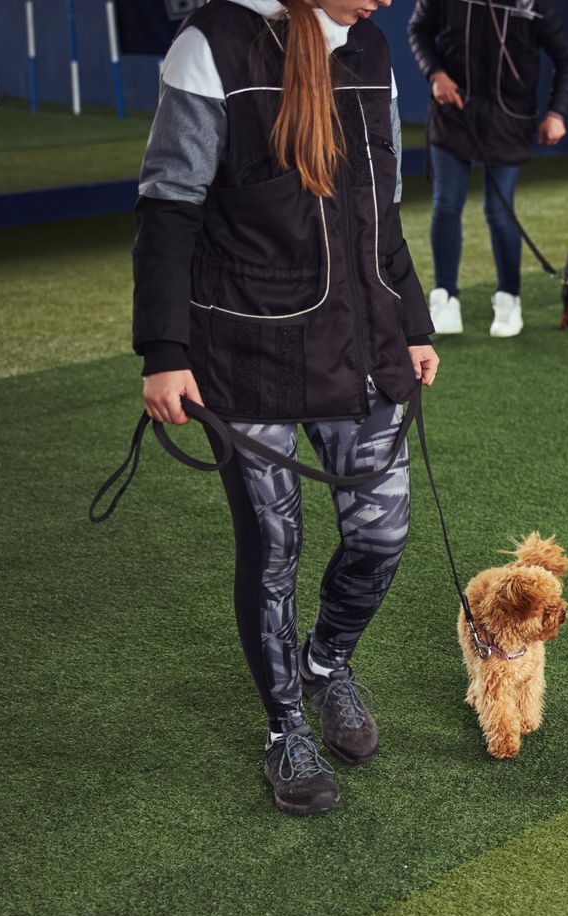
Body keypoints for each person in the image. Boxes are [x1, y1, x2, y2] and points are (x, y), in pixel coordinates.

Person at [133, 0, 439, 815]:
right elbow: (168, 208)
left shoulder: (370, 46)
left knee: (382, 532)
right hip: (247, 352)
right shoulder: (213, 44)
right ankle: (284, 730)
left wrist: (411, 321)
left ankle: (327, 664)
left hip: (364, 342)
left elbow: (383, 212)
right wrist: (164, 353)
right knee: (274, 550)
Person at [407, 0, 568, 338]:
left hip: (509, 123)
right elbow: (418, 30)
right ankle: (445, 300)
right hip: (453, 114)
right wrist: (435, 74)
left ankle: (508, 298)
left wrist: (556, 113)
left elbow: (566, 58)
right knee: (446, 205)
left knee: (499, 212)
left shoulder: (533, 4)